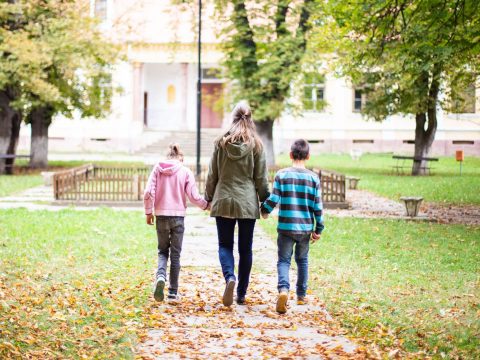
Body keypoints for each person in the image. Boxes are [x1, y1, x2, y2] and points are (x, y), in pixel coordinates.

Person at [205, 101, 269, 307]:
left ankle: (229, 277)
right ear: (250, 119)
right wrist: (265, 200)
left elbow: (212, 174)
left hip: (223, 199)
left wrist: (208, 197)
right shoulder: (256, 145)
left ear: (232, 119)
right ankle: (241, 293)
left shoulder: (220, 143)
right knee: (245, 249)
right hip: (247, 203)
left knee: (224, 245)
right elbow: (261, 178)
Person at [260, 139, 324, 314]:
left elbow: (273, 199)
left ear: (290, 155)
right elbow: (318, 206)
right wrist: (318, 229)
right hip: (304, 228)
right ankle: (301, 295)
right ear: (308, 156)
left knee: (283, 261)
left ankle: (283, 290)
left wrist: (264, 210)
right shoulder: (313, 178)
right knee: (302, 261)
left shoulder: (282, 175)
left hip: (286, 227)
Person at [144, 144, 208, 302]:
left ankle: (160, 277)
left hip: (161, 216)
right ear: (180, 157)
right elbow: (193, 196)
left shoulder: (157, 170)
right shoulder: (185, 171)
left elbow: (148, 192)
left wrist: (148, 212)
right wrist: (206, 205)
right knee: (176, 255)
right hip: (178, 217)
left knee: (162, 251)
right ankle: (173, 292)